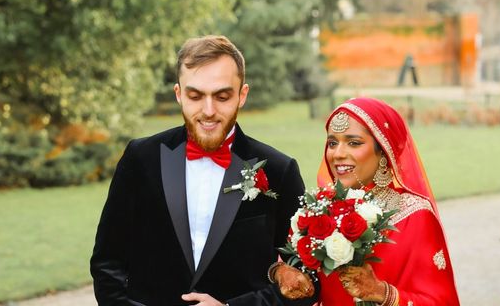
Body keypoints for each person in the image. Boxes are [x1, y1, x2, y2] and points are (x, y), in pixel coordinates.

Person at [90, 35, 315, 306]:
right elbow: (107, 262)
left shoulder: (280, 170)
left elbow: (307, 280)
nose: (208, 111)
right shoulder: (141, 158)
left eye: (222, 96)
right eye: (195, 96)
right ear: (178, 94)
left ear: (242, 95)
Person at [272, 97, 460, 305]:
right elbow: (289, 267)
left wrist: (382, 293)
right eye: (332, 143)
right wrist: (281, 272)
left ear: (383, 152)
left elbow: (442, 300)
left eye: (354, 143)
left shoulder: (414, 214)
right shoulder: (318, 211)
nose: (338, 154)